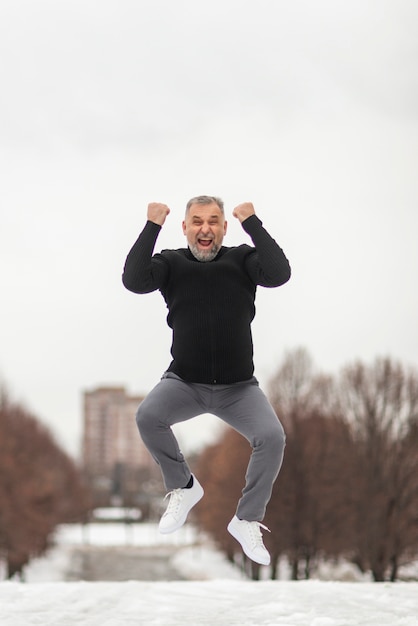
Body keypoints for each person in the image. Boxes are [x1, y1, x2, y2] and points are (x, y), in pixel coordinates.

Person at [122, 195, 291, 565]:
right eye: (197, 221)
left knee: (272, 437)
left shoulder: (243, 259)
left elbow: (279, 274)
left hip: (239, 389)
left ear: (224, 228)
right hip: (184, 382)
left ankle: (246, 519)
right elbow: (134, 281)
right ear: (185, 227)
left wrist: (253, 222)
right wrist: (152, 225)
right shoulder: (171, 263)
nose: (205, 228)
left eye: (213, 221)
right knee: (148, 416)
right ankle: (183, 486)